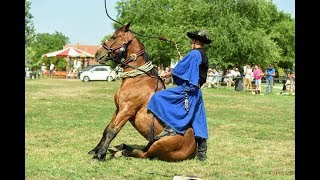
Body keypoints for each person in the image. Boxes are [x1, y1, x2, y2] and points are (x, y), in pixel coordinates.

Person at [147, 30, 212, 161]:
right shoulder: (202, 55)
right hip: (197, 92)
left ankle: (171, 127)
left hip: (187, 91)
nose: (190, 43)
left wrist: (166, 74)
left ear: (197, 42)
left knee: (158, 97)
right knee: (198, 120)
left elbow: (180, 70)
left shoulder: (194, 54)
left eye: (192, 41)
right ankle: (202, 154)